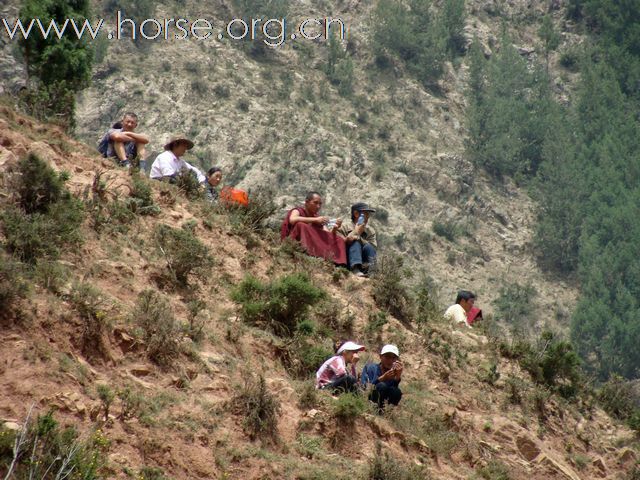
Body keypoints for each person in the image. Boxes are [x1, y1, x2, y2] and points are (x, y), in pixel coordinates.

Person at [281, 192, 347, 265]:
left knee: (339, 239)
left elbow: (328, 235)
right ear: (307, 202)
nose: (318, 206)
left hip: (314, 245)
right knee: (301, 225)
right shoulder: (297, 210)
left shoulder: (318, 218)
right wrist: (315, 220)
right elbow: (292, 220)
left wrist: (335, 228)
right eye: (315, 203)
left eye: (320, 204)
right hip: (295, 240)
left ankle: (337, 262)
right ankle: (306, 252)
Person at [337, 202, 377, 277]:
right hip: (347, 260)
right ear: (356, 214)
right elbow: (340, 245)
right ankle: (355, 269)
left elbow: (373, 248)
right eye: (365, 214)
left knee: (368, 246)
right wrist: (356, 231)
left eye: (368, 214)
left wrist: (358, 237)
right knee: (355, 242)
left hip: (364, 262)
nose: (367, 217)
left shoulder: (370, 231)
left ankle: (372, 272)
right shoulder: (343, 227)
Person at [361, 344, 403, 411]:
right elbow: (365, 387)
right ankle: (373, 409)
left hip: (384, 405)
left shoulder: (393, 373)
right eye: (387, 357)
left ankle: (386, 412)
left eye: (394, 358)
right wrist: (382, 378)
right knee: (382, 385)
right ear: (380, 356)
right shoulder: (370, 368)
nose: (390, 361)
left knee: (397, 391)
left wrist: (397, 377)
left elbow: (393, 392)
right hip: (370, 401)